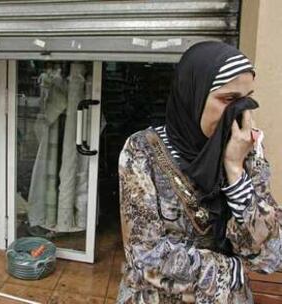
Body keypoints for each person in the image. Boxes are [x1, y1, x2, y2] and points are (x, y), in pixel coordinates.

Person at [117, 41, 282, 303]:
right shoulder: (142, 151)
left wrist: (235, 171)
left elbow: (270, 254)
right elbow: (146, 257)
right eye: (229, 99)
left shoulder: (246, 149)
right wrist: (230, 270)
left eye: (247, 99)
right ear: (193, 94)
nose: (242, 113)